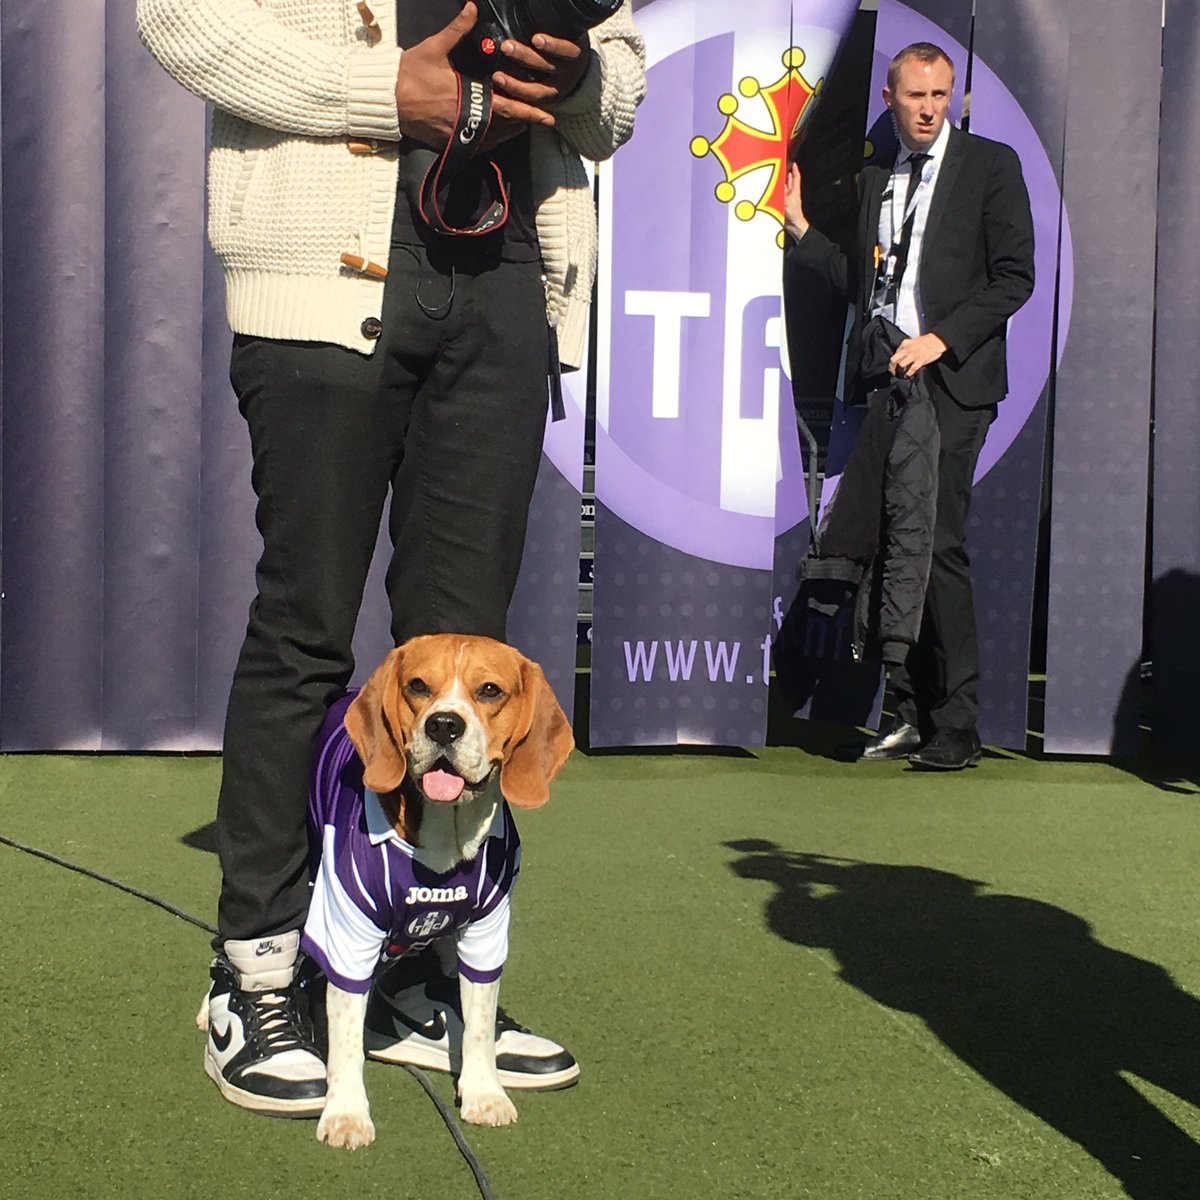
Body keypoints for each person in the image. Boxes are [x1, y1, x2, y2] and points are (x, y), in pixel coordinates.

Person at [136, 0, 644, 1116]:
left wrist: (568, 81)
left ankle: (424, 973)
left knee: (463, 656)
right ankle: (258, 971)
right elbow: (177, 18)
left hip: (510, 283)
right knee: (306, 625)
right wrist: (384, 95)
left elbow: (619, 94)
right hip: (325, 275)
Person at [784, 41, 1034, 771]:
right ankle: (911, 711)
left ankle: (957, 724)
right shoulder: (876, 181)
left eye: (939, 96)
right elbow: (863, 288)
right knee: (897, 546)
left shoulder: (991, 166)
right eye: (915, 96)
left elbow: (1014, 277)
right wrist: (802, 229)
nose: (928, 109)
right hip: (888, 385)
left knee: (939, 543)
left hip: (953, 384)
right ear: (890, 100)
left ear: (953, 98)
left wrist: (940, 340)